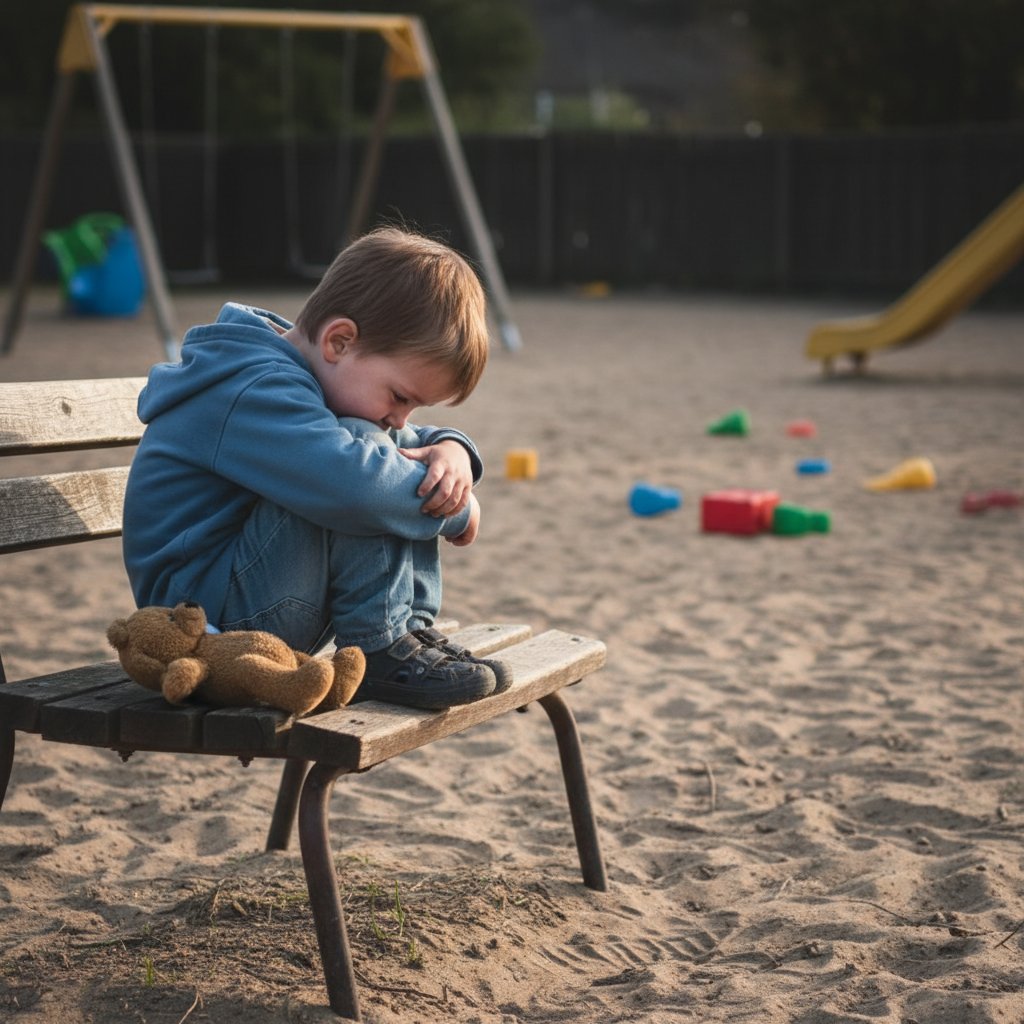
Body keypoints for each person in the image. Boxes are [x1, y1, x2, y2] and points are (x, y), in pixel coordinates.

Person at [121, 226, 511, 710]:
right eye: (401, 397)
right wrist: (458, 509)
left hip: (246, 594)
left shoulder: (303, 372)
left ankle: (408, 633)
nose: (401, 418)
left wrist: (451, 449)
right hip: (205, 624)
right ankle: (383, 645)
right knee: (362, 459)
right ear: (339, 342)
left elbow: (393, 446)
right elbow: (356, 489)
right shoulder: (252, 388)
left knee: (368, 448)